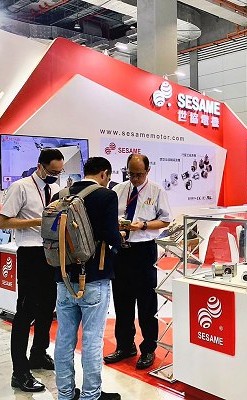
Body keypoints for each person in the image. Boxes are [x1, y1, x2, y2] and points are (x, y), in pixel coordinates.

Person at [51, 157, 122, 400]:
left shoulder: (60, 195)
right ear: (104, 174)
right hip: (94, 277)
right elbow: (111, 235)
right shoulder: (106, 196)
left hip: (64, 277)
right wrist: (120, 238)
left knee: (64, 338)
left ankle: (65, 394)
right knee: (92, 339)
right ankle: (91, 395)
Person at [0, 148, 64, 392]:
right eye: (52, 171)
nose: (55, 176)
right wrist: (38, 221)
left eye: (59, 172)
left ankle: (38, 353)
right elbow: (4, 221)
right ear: (40, 166)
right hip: (31, 253)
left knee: (47, 308)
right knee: (25, 313)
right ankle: (20, 371)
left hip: (52, 253)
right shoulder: (21, 187)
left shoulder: (57, 190)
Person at [104, 154, 172, 370]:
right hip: (121, 250)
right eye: (130, 174)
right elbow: (109, 217)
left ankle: (149, 348)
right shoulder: (118, 190)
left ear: (147, 171)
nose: (134, 178)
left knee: (146, 303)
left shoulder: (156, 191)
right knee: (122, 301)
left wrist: (143, 225)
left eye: (138, 174)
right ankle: (125, 346)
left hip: (144, 250)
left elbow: (165, 220)